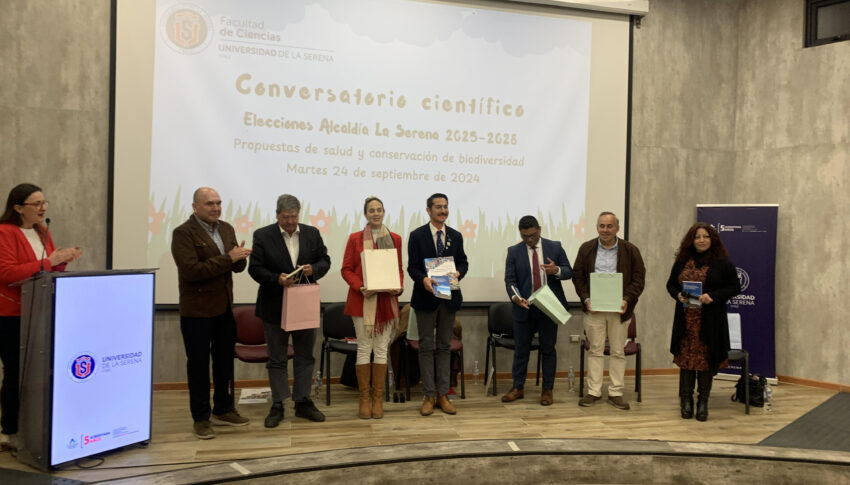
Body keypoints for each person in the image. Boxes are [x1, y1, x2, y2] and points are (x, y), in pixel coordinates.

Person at [0, 183, 81, 451]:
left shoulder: (42, 231)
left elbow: (49, 268)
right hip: (11, 314)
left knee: (39, 372)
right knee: (16, 372)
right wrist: (50, 261)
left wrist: (64, 259)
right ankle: (9, 431)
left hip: (41, 310)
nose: (43, 207)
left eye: (44, 202)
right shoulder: (5, 232)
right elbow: (8, 274)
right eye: (36, 204)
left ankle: (35, 426)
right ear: (18, 207)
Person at [171, 187, 252, 439]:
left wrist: (240, 258)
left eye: (218, 203)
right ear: (195, 206)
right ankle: (201, 418)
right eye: (209, 204)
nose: (216, 208)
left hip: (224, 308)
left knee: (224, 362)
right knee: (198, 366)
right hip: (197, 311)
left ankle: (224, 408)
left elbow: (235, 267)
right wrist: (229, 258)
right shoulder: (183, 233)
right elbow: (192, 271)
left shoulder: (226, 228)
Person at [249, 194, 330, 427]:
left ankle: (302, 401)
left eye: (294, 217)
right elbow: (255, 269)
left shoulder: (311, 233)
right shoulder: (263, 235)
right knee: (277, 358)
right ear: (277, 215)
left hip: (304, 305)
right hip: (274, 306)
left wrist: (312, 269)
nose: (290, 222)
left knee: (305, 356)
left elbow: (325, 260)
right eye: (285, 217)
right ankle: (278, 404)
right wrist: (277, 279)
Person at [666, 222, 740, 421]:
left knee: (705, 361)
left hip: (709, 321)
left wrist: (712, 296)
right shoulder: (682, 260)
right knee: (686, 360)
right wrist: (678, 295)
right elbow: (671, 285)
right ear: (691, 240)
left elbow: (734, 287)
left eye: (705, 236)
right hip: (686, 321)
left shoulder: (722, 262)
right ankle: (686, 400)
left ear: (712, 239)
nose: (701, 240)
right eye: (697, 236)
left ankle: (703, 401)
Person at [573, 212, 645, 410]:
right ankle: (593, 392)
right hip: (594, 309)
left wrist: (627, 299)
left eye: (609, 226)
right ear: (597, 227)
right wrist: (585, 298)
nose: (605, 230)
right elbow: (577, 276)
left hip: (619, 310)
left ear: (617, 229)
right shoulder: (586, 248)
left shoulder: (630, 250)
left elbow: (639, 279)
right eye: (602, 226)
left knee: (618, 351)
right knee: (595, 350)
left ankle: (616, 392)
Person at [340, 196, 403, 419]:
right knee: (365, 349)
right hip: (362, 302)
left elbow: (398, 269)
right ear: (365, 214)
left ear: (384, 212)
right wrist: (360, 287)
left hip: (387, 303)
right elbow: (346, 269)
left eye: (379, 210)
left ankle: (378, 398)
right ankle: (364, 398)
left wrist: (398, 287)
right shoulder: (355, 239)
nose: (375, 213)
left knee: (382, 349)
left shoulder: (395, 238)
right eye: (371, 210)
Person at [407, 193, 468, 416]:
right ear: (428, 210)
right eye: (438, 207)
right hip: (425, 298)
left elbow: (463, 261)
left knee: (444, 346)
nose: (443, 211)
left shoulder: (456, 236)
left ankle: (443, 395)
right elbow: (412, 267)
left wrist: (459, 272)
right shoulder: (417, 236)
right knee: (425, 347)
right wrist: (423, 278)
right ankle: (428, 395)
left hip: (448, 297)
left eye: (445, 207)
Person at [502, 215, 572, 406]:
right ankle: (518, 387)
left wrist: (555, 270)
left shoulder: (555, 247)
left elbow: (568, 271)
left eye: (532, 235)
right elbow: (510, 281)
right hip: (524, 308)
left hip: (549, 307)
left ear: (539, 230)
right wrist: (516, 297)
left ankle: (547, 390)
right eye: (525, 236)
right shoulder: (514, 251)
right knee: (521, 350)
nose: (529, 240)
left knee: (548, 349)